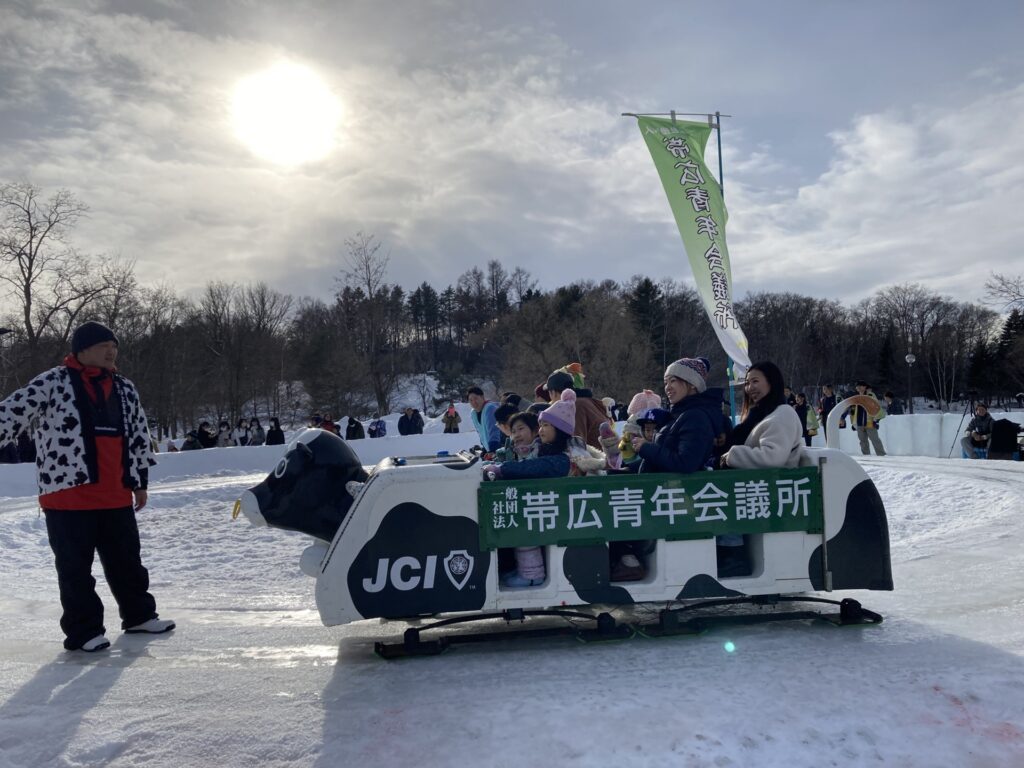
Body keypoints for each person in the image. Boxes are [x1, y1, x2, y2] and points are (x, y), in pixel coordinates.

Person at [0, 320, 174, 652]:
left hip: (114, 494)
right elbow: (12, 412)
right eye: (103, 346)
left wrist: (139, 483)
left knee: (127, 562)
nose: (111, 351)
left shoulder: (125, 388)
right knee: (75, 569)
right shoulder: (53, 381)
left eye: (114, 346)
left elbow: (139, 438)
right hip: (67, 494)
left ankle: (139, 615)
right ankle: (84, 632)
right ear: (82, 351)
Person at [625, 357, 722, 581]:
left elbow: (685, 462)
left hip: (673, 499)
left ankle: (628, 561)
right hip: (659, 494)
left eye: (674, 381)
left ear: (692, 384)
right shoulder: (680, 414)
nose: (668, 387)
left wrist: (647, 448)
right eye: (666, 382)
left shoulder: (695, 417)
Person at [483, 392, 577, 588]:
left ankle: (533, 575)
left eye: (546, 426)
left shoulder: (563, 456)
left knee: (525, 526)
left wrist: (502, 470)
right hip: (553, 507)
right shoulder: (546, 450)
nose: (541, 430)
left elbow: (535, 467)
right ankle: (526, 571)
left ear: (559, 430)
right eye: (541, 425)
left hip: (562, 510)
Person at [720, 361, 805, 577]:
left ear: (772, 382)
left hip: (771, 492)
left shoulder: (782, 414)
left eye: (755, 381)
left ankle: (733, 554)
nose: (750, 388)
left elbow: (772, 457)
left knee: (723, 499)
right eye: (747, 383)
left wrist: (733, 456)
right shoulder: (761, 413)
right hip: (758, 487)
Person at [544, 364, 608, 449]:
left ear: (553, 392)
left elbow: (577, 444)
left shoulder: (576, 406)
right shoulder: (585, 401)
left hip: (599, 458)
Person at [839, 381, 886, 456]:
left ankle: (881, 455)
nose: (858, 388)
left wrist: (876, 419)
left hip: (869, 422)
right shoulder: (856, 397)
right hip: (859, 422)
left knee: (875, 439)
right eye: (857, 386)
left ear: (865, 387)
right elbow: (849, 407)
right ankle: (866, 456)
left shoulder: (870, 395)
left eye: (860, 386)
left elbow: (877, 407)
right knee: (863, 441)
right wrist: (842, 416)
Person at [467, 386, 502, 452]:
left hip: (499, 447)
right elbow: (480, 432)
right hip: (489, 448)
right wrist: (484, 448)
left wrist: (493, 448)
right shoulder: (473, 413)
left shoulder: (490, 408)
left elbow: (494, 430)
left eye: (476, 398)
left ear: (482, 397)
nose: (474, 402)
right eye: (471, 400)